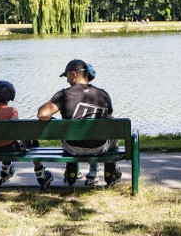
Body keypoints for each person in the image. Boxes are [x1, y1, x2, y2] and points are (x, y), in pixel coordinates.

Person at [36, 59, 121, 188]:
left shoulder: (64, 95)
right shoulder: (103, 94)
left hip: (72, 147)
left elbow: (42, 114)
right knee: (113, 132)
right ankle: (110, 170)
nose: (66, 80)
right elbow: (109, 120)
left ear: (73, 74)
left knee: (70, 136)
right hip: (100, 147)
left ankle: (71, 170)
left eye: (67, 76)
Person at [0, 80, 54, 191]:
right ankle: (41, 175)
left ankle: (5, 170)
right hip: (10, 147)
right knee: (33, 142)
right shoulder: (12, 110)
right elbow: (15, 130)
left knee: (5, 140)